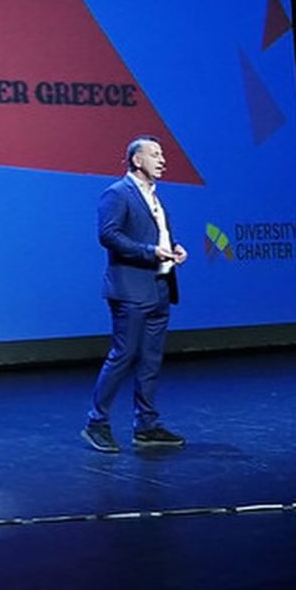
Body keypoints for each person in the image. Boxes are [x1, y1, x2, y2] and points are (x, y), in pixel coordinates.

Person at [81, 135, 188, 452]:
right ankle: (96, 423)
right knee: (123, 355)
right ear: (137, 160)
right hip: (130, 288)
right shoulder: (118, 193)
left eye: (162, 154)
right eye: (155, 154)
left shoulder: (154, 197)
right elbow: (108, 235)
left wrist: (173, 248)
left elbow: (157, 236)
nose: (162, 160)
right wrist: (149, 251)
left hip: (160, 286)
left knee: (151, 359)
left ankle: (147, 426)